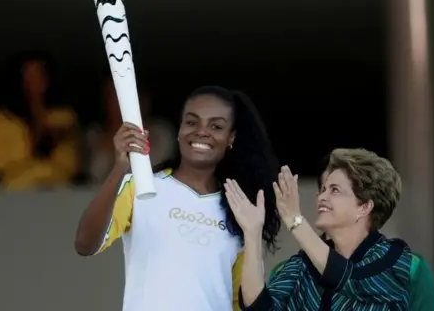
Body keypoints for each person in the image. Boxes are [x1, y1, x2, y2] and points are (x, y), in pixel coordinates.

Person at [74, 86, 281, 311]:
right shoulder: (142, 187)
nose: (201, 132)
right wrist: (120, 167)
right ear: (179, 129)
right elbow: (86, 244)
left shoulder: (239, 207)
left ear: (231, 137)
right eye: (192, 122)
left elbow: (245, 301)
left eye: (216, 126)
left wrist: (252, 233)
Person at [227, 148, 434, 311]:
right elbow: (258, 308)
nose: (322, 197)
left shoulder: (402, 265)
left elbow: (350, 278)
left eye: (335, 190)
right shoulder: (296, 269)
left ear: (365, 207)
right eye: (323, 189)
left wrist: (294, 220)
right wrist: (253, 232)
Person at [0, 51, 81, 191]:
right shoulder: (1, 119)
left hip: (57, 194)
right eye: (28, 75)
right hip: (15, 194)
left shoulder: (64, 118)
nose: (34, 81)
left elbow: (72, 164)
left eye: (39, 74)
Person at [85, 79, 175, 183]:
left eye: (124, 94)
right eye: (112, 96)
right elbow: (94, 178)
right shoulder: (93, 137)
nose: (119, 102)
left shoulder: (162, 134)